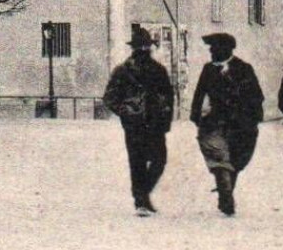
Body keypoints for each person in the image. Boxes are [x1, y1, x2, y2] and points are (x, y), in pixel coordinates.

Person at [103, 25, 176, 216]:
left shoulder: (159, 70)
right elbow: (109, 97)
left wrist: (166, 119)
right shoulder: (123, 71)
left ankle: (143, 194)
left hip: (155, 123)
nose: (144, 50)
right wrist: (125, 111)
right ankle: (140, 201)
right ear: (134, 49)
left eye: (146, 47)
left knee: (160, 160)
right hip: (134, 124)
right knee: (137, 162)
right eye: (140, 47)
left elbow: (169, 96)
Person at [189, 32, 265, 216]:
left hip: (241, 124)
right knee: (219, 159)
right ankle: (226, 197)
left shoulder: (244, 68)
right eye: (211, 49)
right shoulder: (208, 69)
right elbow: (199, 93)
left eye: (214, 48)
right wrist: (196, 114)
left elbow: (257, 96)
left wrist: (253, 117)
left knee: (235, 160)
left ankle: (226, 192)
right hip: (215, 122)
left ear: (227, 49)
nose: (211, 52)